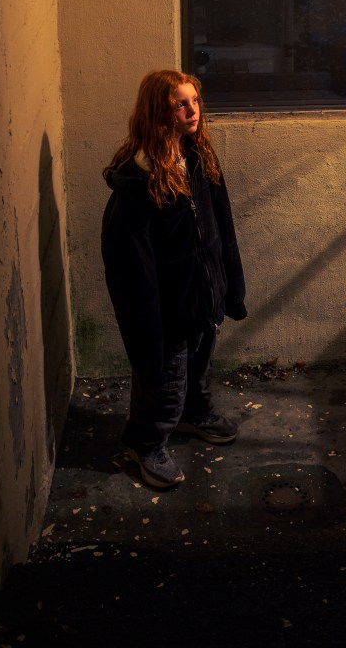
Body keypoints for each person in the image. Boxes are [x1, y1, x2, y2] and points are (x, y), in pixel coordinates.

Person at [101, 69, 246, 489]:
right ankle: (146, 443)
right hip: (167, 310)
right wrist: (148, 329)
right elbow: (132, 272)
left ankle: (193, 414)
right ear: (157, 112)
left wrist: (230, 286)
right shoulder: (139, 182)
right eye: (180, 104)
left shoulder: (198, 157)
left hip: (203, 295)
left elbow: (222, 223)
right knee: (163, 380)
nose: (192, 110)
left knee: (199, 367)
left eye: (195, 101)